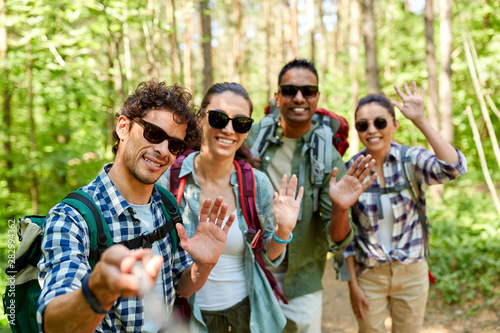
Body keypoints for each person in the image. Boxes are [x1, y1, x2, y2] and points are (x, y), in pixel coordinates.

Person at [37, 81, 236, 333]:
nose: (163, 150)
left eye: (174, 145)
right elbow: (53, 325)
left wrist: (204, 266)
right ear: (123, 127)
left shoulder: (166, 204)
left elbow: (179, 286)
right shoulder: (71, 218)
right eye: (153, 133)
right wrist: (98, 291)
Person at [157, 82, 304, 332]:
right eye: (218, 118)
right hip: (186, 318)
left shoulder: (256, 183)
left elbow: (268, 256)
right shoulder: (167, 180)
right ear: (201, 118)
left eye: (241, 122)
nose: (229, 129)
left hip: (248, 316)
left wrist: (282, 230)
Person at [246, 58, 377, 332]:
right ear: (277, 96)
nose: (298, 98)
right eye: (290, 90)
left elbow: (338, 239)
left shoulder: (327, 154)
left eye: (307, 91)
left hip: (301, 278)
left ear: (317, 97)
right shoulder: (249, 138)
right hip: (250, 270)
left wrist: (341, 207)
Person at [344, 82, 468, 333]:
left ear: (394, 124)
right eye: (362, 125)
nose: (371, 130)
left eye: (380, 122)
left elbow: (454, 168)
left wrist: (421, 120)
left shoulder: (411, 159)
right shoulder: (351, 170)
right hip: (369, 274)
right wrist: (352, 285)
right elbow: (347, 236)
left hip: (412, 272)